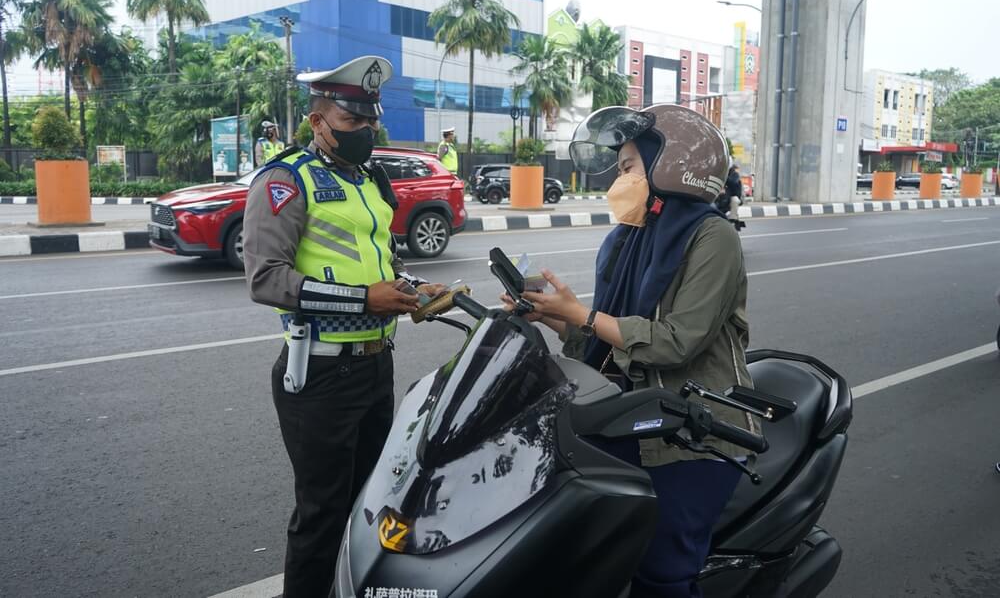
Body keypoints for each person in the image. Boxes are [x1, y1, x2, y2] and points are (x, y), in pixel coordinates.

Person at [505, 104, 758, 598]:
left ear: (669, 166)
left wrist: (580, 314)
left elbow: (676, 340)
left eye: (626, 168)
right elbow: (605, 345)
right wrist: (551, 316)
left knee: (660, 573)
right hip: (630, 414)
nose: (617, 181)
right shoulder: (630, 240)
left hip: (695, 430)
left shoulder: (713, 237)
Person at [242, 55, 446, 598]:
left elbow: (377, 259)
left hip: (376, 366)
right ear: (318, 122)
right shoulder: (285, 180)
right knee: (323, 514)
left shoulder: (369, 179)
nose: (366, 132)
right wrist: (364, 300)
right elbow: (266, 279)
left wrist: (409, 287)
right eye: (353, 123)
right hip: (322, 375)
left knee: (371, 502)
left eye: (371, 122)